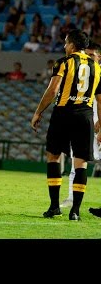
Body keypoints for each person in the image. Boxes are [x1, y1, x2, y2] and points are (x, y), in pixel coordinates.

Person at [30, 29, 101, 221]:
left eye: (66, 42)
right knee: (81, 163)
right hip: (85, 115)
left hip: (63, 113)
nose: (64, 46)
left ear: (72, 45)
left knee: (53, 157)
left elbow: (53, 90)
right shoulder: (97, 67)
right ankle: (75, 211)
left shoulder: (64, 62)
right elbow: (100, 100)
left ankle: (54, 207)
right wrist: (100, 123)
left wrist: (38, 112)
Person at [61, 41, 101, 209]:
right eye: (87, 55)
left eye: (92, 56)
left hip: (99, 125)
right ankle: (71, 198)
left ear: (99, 58)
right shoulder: (80, 75)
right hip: (83, 124)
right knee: (76, 162)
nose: (88, 59)